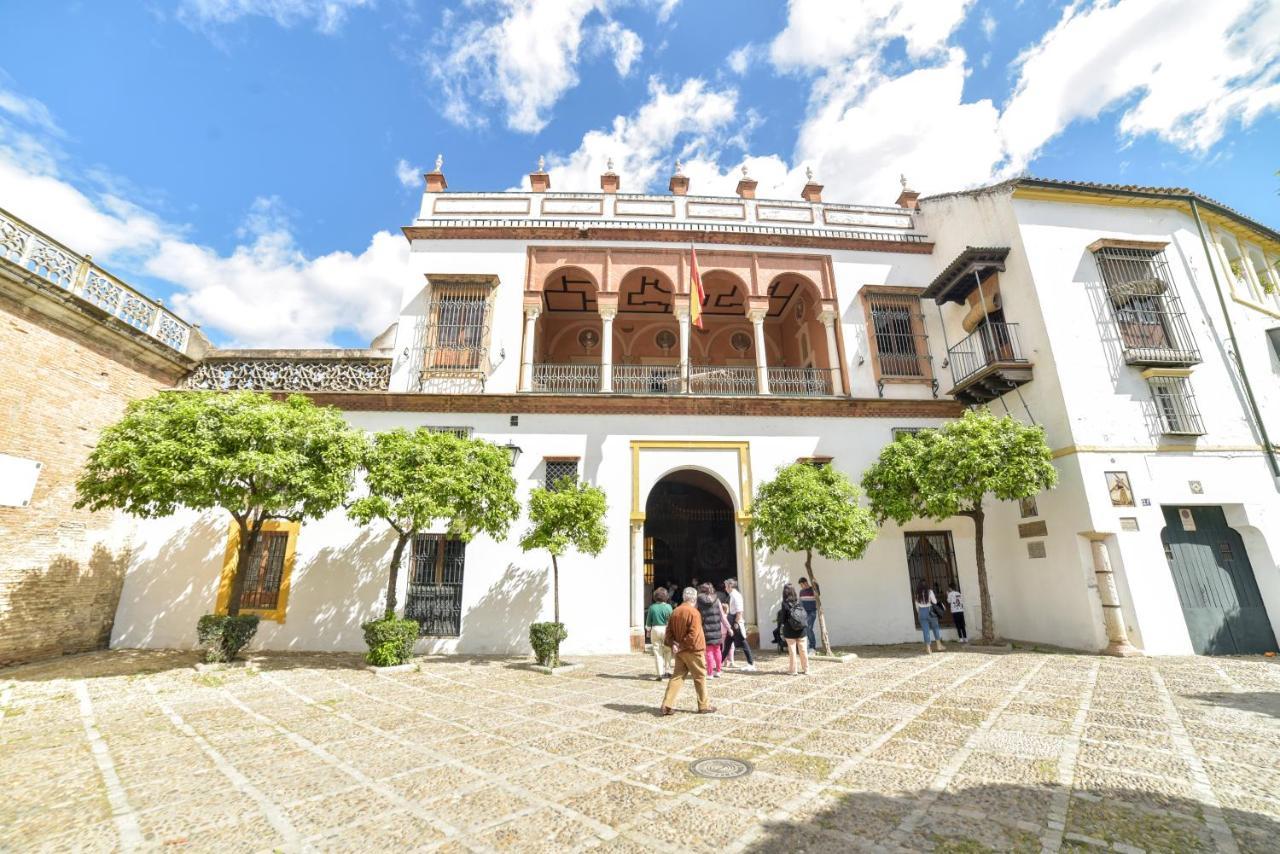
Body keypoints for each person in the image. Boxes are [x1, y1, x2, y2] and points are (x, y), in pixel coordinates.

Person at [660, 587, 715, 715]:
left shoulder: (675, 611)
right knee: (700, 676)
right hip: (693, 650)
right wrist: (680, 645)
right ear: (694, 599)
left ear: (684, 598)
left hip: (680, 651)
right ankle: (704, 705)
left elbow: (668, 632)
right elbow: (693, 634)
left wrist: (673, 644)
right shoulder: (694, 613)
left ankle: (667, 705)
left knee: (677, 677)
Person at [721, 578, 756, 670]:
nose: (725, 588)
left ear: (730, 586)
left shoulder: (736, 596)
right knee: (727, 643)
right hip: (732, 621)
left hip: (735, 622)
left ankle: (751, 663)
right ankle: (719, 662)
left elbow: (739, 611)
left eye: (726, 586)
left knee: (743, 643)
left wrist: (736, 623)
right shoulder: (732, 595)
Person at [777, 583, 809, 676]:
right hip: (801, 630)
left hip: (790, 630)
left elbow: (783, 619)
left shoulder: (784, 603)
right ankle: (806, 669)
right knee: (803, 650)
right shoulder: (799, 601)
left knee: (792, 651)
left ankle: (793, 670)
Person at [696, 583, 725, 678]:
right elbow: (722, 616)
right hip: (717, 628)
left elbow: (694, 611)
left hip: (706, 629)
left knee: (708, 652)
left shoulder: (699, 600)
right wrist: (728, 627)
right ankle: (719, 670)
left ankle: (709, 673)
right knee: (717, 650)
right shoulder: (717, 600)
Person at [645, 587, 674, 679]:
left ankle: (659, 673)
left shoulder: (652, 607)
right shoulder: (669, 607)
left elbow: (648, 622)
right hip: (666, 629)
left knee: (657, 652)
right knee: (668, 650)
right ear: (666, 596)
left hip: (655, 629)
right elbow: (672, 620)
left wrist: (648, 631)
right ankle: (668, 671)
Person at [916, 580, 944, 654]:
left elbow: (917, 606)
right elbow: (934, 602)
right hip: (930, 611)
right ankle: (939, 645)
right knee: (935, 627)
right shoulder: (930, 591)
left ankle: (928, 649)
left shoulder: (917, 593)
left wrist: (919, 613)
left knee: (925, 630)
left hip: (921, 612)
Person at [798, 577, 819, 651]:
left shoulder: (812, 590)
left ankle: (812, 646)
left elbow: (818, 593)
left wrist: (816, 583)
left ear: (805, 583)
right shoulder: (801, 592)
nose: (801, 586)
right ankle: (809, 646)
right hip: (804, 613)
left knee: (809, 628)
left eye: (801, 584)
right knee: (806, 629)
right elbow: (800, 603)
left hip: (812, 612)